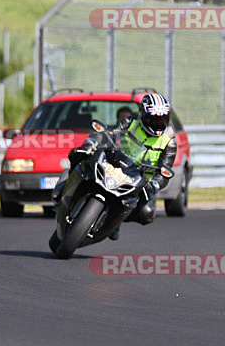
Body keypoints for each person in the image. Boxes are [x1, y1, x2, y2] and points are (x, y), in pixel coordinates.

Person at [55, 93, 176, 240]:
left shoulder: (169, 141)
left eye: (163, 119)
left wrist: (155, 184)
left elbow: (165, 171)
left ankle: (114, 223)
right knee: (81, 154)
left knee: (147, 213)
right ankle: (63, 186)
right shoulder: (132, 121)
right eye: (155, 119)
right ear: (144, 115)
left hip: (140, 178)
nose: (159, 123)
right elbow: (111, 132)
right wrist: (92, 143)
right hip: (117, 161)